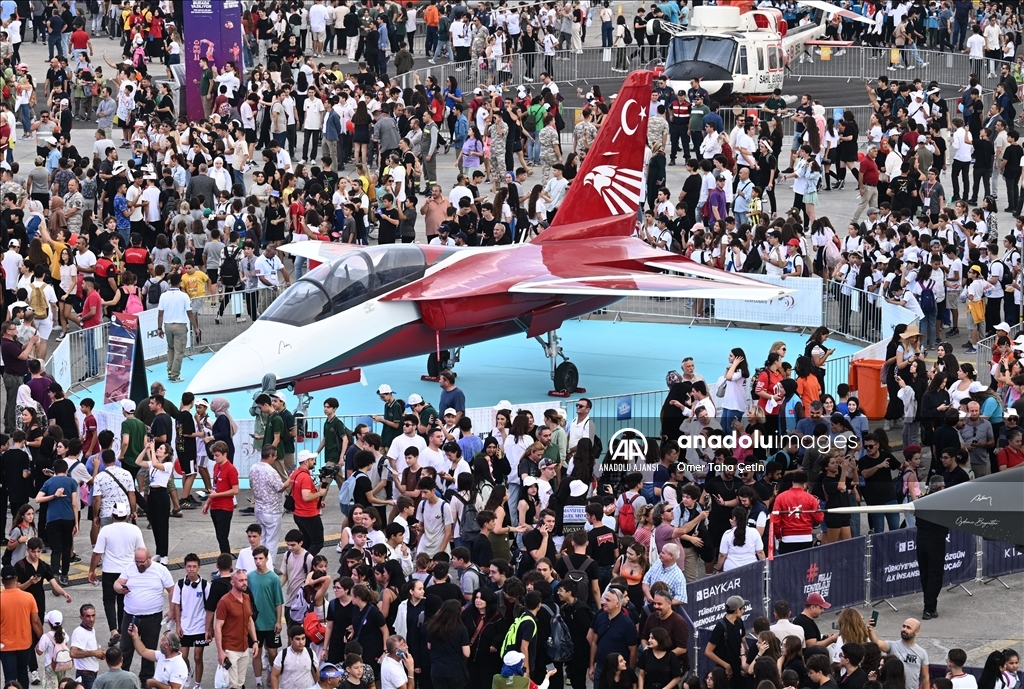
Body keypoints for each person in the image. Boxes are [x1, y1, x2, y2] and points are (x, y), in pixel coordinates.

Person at [114, 547, 174, 685]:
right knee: (125, 649)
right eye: (137, 561)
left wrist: (172, 610)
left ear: (149, 558)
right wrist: (120, 588)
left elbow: (171, 590)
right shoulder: (130, 568)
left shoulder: (161, 570)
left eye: (142, 562)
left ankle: (146, 682)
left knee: (149, 651)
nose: (139, 564)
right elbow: (117, 583)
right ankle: (122, 679)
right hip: (131, 617)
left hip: (152, 618)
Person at [88, 503, 145, 644]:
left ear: (112, 515)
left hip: (110, 571)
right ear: (126, 515)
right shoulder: (135, 529)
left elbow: (97, 553)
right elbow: (142, 551)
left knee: (109, 600)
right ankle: (121, 630)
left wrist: (91, 570)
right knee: (123, 601)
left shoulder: (106, 530)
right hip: (128, 571)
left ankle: (113, 630)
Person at [215, 568, 260, 689]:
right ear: (232, 582)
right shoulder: (225, 601)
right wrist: (220, 652)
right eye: (241, 580)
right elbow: (218, 627)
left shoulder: (247, 598)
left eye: (245, 580)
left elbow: (249, 620)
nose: (244, 583)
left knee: (240, 683)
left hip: (244, 648)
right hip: (230, 650)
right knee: (232, 685)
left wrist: (255, 641)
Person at [0, 564, 42, 689]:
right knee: (23, 673)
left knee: (10, 678)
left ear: (2, 581)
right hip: (25, 644)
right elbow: (36, 621)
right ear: (17, 579)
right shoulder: (28, 597)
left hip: (5, 647)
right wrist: (42, 639)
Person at [588, 588, 638, 689]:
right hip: (601, 667)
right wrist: (592, 665)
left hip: (618, 671)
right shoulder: (600, 617)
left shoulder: (627, 624)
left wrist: (630, 672)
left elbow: (633, 651)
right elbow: (594, 642)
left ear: (617, 604)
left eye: (608, 600)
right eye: (604, 599)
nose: (603, 602)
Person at [867, 618, 930, 689]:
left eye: (908, 628)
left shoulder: (922, 653)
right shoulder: (892, 645)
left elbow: (925, 677)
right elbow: (877, 643)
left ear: (916, 631)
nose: (904, 629)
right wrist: (870, 630)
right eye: (904, 626)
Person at [704, 596, 747, 688]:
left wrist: (745, 664)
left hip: (738, 671)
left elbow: (743, 642)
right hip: (725, 674)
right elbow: (708, 652)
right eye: (743, 608)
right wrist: (726, 665)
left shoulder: (739, 622)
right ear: (737, 610)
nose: (744, 611)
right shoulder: (720, 627)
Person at [70, 605, 106, 689]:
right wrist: (94, 653)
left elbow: (89, 649)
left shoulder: (91, 630)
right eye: (88, 616)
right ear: (81, 617)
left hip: (91, 675)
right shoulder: (79, 632)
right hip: (85, 676)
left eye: (93, 615)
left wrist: (99, 654)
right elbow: (73, 653)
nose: (91, 619)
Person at [493, 650, 558, 689]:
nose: (523, 663)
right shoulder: (525, 681)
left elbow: (509, 682)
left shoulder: (496, 678)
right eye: (521, 662)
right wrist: (547, 676)